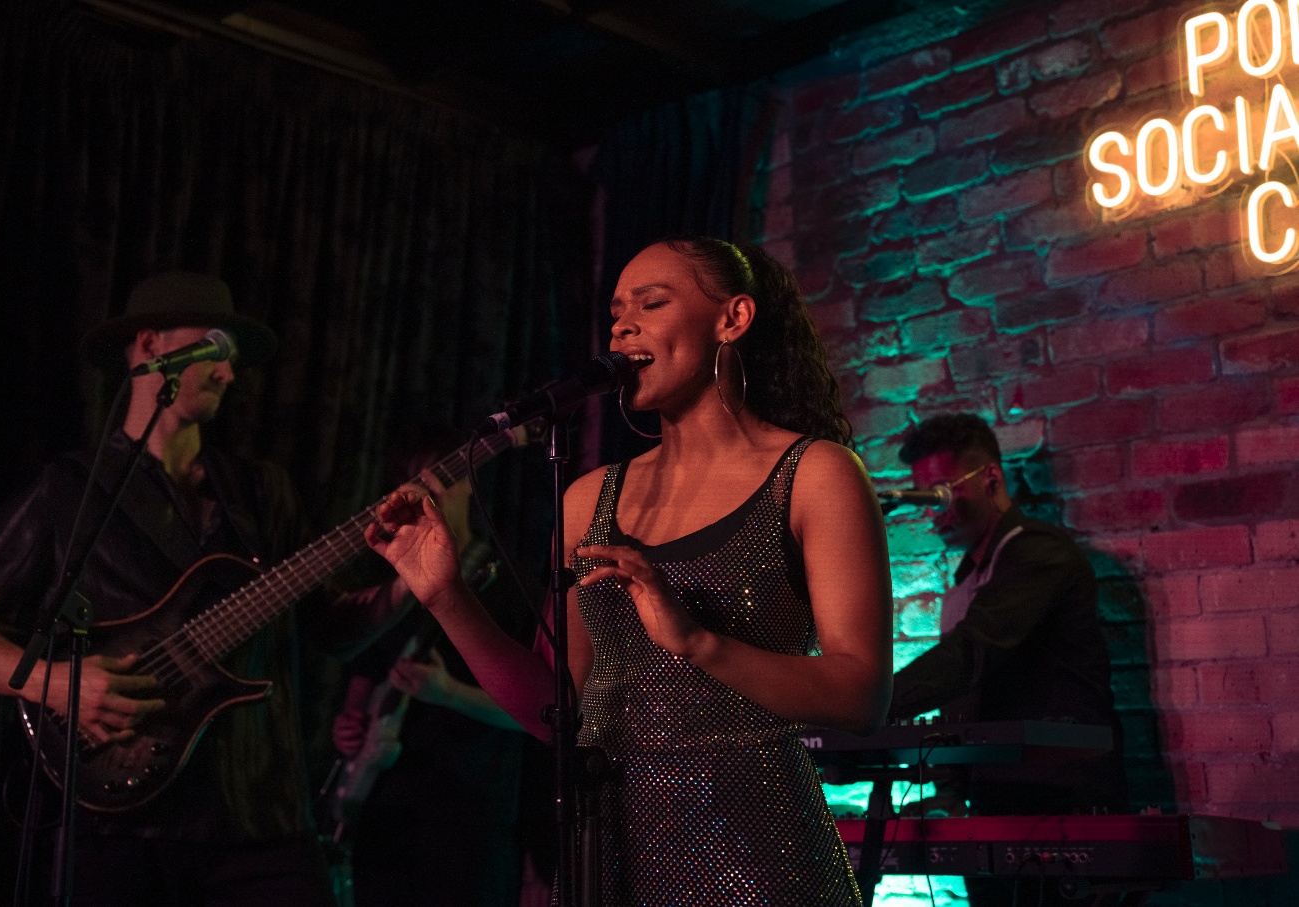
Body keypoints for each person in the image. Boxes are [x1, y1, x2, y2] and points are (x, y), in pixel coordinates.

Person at [363, 237, 893, 907]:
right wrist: (445, 594)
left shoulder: (815, 474)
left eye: (652, 302)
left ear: (733, 318)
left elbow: (862, 694)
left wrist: (699, 642)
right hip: (611, 855)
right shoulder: (589, 499)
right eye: (616, 312)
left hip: (761, 858)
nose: (622, 325)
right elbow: (557, 713)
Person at [0, 272, 402, 907]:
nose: (230, 373)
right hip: (116, 825)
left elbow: (333, 631)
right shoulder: (68, 488)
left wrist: (414, 587)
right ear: (150, 346)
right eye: (215, 349)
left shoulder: (261, 491)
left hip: (259, 814)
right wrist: (53, 681)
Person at [888, 413, 1127, 907]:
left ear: (991, 478)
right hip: (997, 804)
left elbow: (975, 652)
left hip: (1062, 802)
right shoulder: (963, 581)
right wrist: (950, 786)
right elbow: (967, 696)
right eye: (922, 496)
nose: (933, 512)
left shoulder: (1038, 554)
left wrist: (875, 702)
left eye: (942, 491)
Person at [325, 426, 545, 907]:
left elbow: (543, 713)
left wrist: (447, 692)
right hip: (383, 814)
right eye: (414, 482)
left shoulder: (514, 587)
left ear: (471, 483)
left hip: (468, 816)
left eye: (443, 479)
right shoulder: (390, 582)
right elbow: (364, 668)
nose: (428, 494)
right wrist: (349, 725)